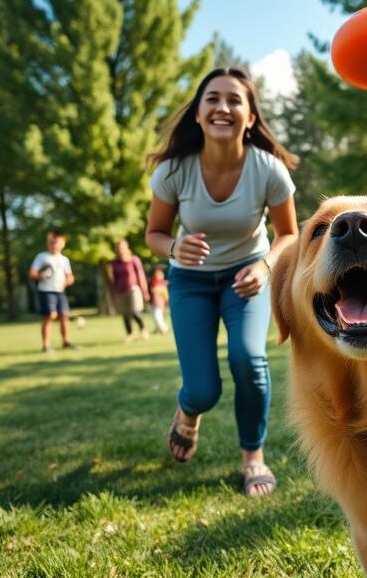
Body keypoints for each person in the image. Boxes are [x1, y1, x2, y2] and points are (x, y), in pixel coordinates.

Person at [145, 66, 299, 497]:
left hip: (245, 278)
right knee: (202, 390)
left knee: (249, 360)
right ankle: (188, 413)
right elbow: (154, 233)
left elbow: (289, 235)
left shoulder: (268, 170)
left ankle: (253, 458)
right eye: (212, 98)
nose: (223, 107)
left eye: (235, 100)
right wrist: (174, 248)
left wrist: (264, 267)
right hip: (190, 283)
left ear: (250, 117)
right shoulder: (174, 171)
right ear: (198, 113)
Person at [29, 229, 78, 352]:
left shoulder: (64, 260)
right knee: (50, 315)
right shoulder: (42, 257)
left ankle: (65, 341)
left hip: (60, 292)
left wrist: (67, 282)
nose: (53, 245)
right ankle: (46, 345)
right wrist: (41, 276)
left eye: (56, 242)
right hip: (46, 291)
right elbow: (32, 273)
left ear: (62, 243)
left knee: (64, 315)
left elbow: (70, 277)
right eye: (50, 242)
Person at [110, 239, 150, 342]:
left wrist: (144, 290)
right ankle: (129, 334)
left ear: (127, 247)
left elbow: (140, 275)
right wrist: (113, 293)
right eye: (119, 247)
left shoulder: (134, 260)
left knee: (134, 310)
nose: (120, 249)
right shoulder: (115, 263)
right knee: (125, 313)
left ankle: (143, 329)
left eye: (122, 246)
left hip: (133, 289)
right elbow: (113, 279)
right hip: (120, 290)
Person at [149, 266, 170, 334]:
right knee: (154, 316)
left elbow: (165, 294)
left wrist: (166, 302)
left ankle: (164, 328)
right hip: (153, 302)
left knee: (157, 315)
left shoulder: (164, 283)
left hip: (160, 302)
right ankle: (158, 329)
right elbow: (152, 291)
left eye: (159, 274)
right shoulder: (153, 282)